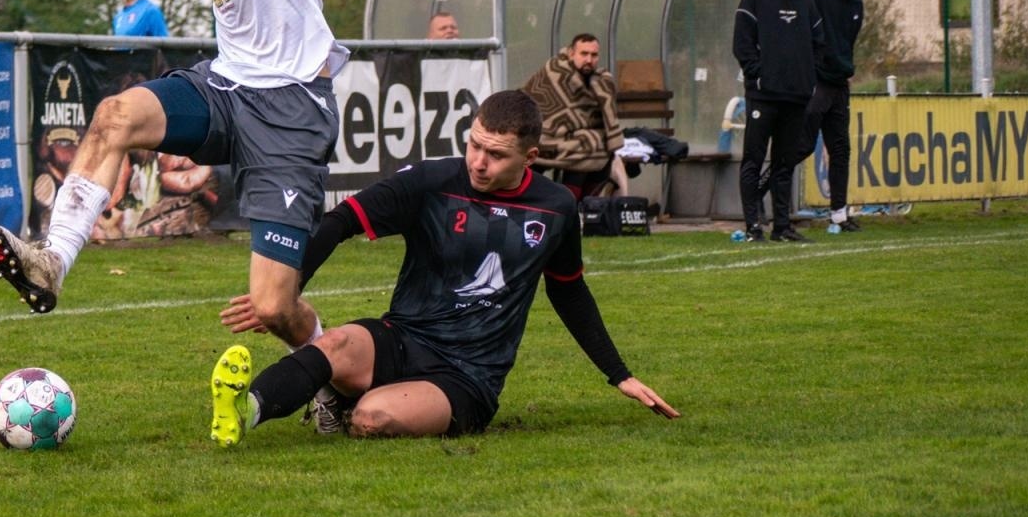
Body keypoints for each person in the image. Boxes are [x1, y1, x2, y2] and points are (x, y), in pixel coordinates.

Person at [0, 0, 346, 347]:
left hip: (293, 104)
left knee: (273, 307)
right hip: (229, 86)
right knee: (115, 116)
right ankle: (52, 260)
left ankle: (331, 378)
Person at [208, 89, 678, 444]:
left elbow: (570, 291)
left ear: (530, 158)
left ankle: (340, 401)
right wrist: (286, 291)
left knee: (373, 416)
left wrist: (619, 374)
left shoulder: (555, 208)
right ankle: (243, 411)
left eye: (496, 155)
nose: (478, 161)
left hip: (468, 375)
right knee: (335, 343)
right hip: (403, 337)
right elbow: (340, 220)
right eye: (474, 145)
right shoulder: (433, 180)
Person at [732, 0, 825, 243]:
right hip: (763, 96)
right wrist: (759, 76)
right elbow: (742, 45)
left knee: (784, 164)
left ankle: (782, 227)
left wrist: (807, 79)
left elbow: (818, 45)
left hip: (796, 97)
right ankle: (752, 226)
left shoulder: (806, 2)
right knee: (753, 160)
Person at [804, 0, 869, 231]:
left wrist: (843, 70)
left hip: (839, 85)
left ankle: (839, 214)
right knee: (800, 146)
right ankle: (768, 210)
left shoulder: (856, 5)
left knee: (840, 149)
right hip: (816, 82)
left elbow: (847, 43)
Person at [522, 33, 627, 195]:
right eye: (584, 54)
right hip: (544, 136)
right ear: (572, 54)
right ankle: (568, 201)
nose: (589, 60)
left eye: (594, 55)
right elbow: (534, 105)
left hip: (578, 140)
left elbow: (601, 118)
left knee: (597, 149)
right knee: (585, 148)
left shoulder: (600, 81)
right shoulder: (555, 72)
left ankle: (584, 204)